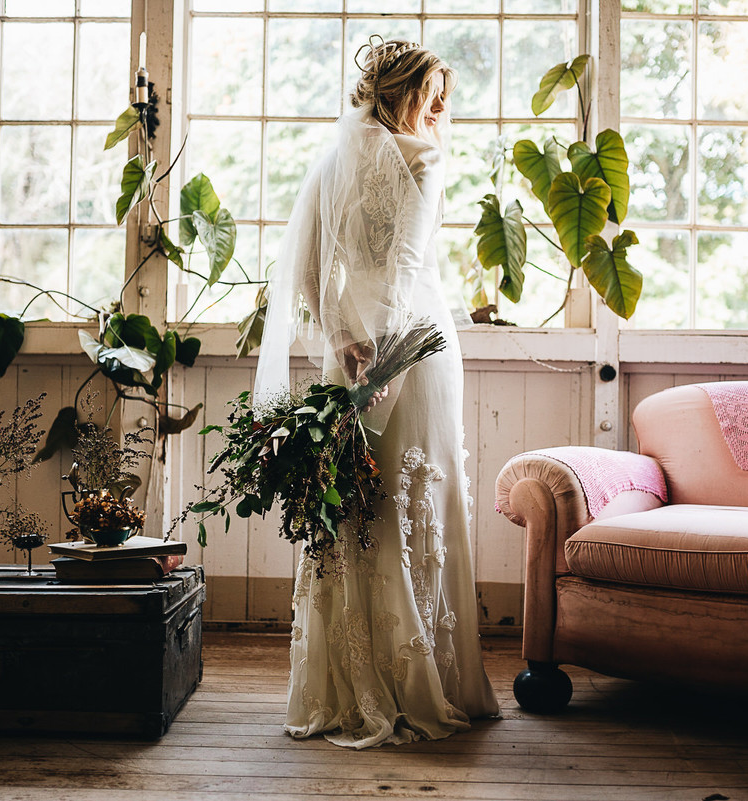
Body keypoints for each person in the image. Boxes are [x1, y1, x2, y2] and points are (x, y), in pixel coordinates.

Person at [254, 37, 500, 748]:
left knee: (358, 500)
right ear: (402, 97)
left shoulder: (333, 163)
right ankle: (419, 677)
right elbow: (405, 267)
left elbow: (303, 272)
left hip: (353, 352)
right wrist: (382, 371)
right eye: (433, 93)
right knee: (399, 497)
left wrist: (344, 346)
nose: (444, 107)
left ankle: (344, 680)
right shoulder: (424, 160)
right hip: (409, 353)